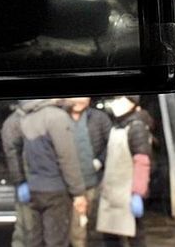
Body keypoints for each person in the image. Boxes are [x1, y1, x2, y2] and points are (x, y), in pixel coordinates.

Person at [10, 98, 88, 247]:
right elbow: (67, 157)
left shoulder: (27, 118)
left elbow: (21, 154)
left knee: (36, 240)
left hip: (34, 189)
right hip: (56, 190)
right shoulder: (56, 117)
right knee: (56, 240)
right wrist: (78, 192)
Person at [96, 96, 153, 247]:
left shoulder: (137, 127)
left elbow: (142, 162)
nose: (115, 103)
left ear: (131, 104)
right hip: (112, 193)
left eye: (120, 100)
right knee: (110, 235)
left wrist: (138, 193)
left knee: (134, 235)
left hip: (128, 194)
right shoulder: (117, 126)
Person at [63, 97, 113, 247]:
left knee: (91, 224)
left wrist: (100, 161)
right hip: (66, 184)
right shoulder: (58, 117)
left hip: (93, 182)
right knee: (71, 227)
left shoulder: (99, 118)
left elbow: (112, 143)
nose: (78, 100)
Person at [2, 102, 35, 247]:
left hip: (31, 180)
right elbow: (12, 155)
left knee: (25, 225)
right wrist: (20, 181)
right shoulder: (14, 122)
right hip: (26, 180)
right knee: (27, 226)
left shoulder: (23, 119)